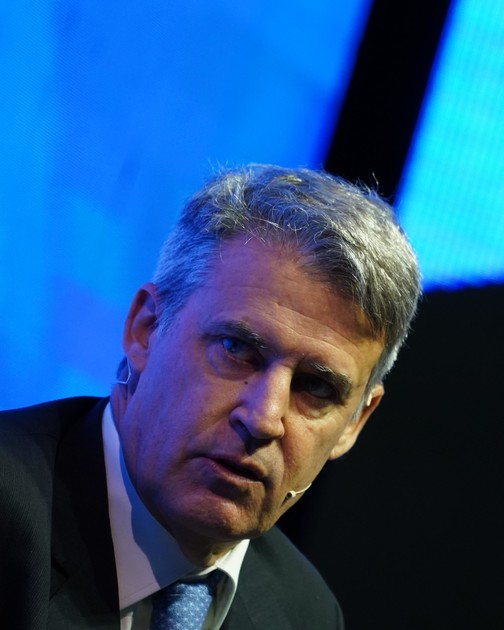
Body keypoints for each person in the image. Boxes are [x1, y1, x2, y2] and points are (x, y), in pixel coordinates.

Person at [0, 165, 421, 629]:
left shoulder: (306, 614)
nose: (264, 418)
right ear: (146, 330)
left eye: (315, 386)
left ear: (355, 422)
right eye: (236, 348)